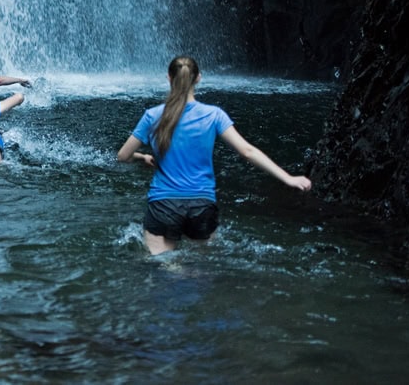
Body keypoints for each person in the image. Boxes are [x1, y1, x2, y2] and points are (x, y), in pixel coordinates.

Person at [117, 55, 312, 255]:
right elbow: (247, 151)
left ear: (169, 78)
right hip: (202, 205)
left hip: (164, 205)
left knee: (163, 264)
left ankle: (174, 271)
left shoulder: (152, 116)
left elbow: (123, 156)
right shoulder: (214, 115)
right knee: (200, 267)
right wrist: (288, 178)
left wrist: (142, 157)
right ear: (198, 78)